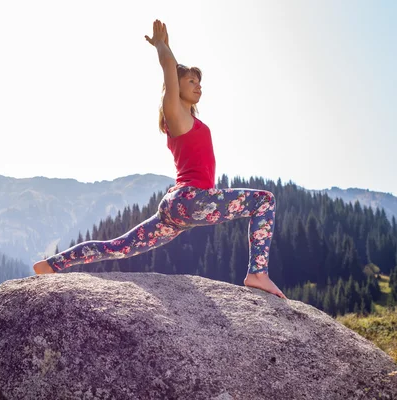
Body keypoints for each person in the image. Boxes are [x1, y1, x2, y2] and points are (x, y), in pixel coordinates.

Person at [33, 20, 287, 299]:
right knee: (265, 200)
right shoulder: (175, 114)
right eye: (191, 81)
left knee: (119, 245)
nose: (198, 85)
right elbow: (168, 68)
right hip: (192, 200)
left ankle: (51, 265)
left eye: (199, 81)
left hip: (179, 207)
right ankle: (257, 273)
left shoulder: (189, 119)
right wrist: (162, 46)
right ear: (175, 88)